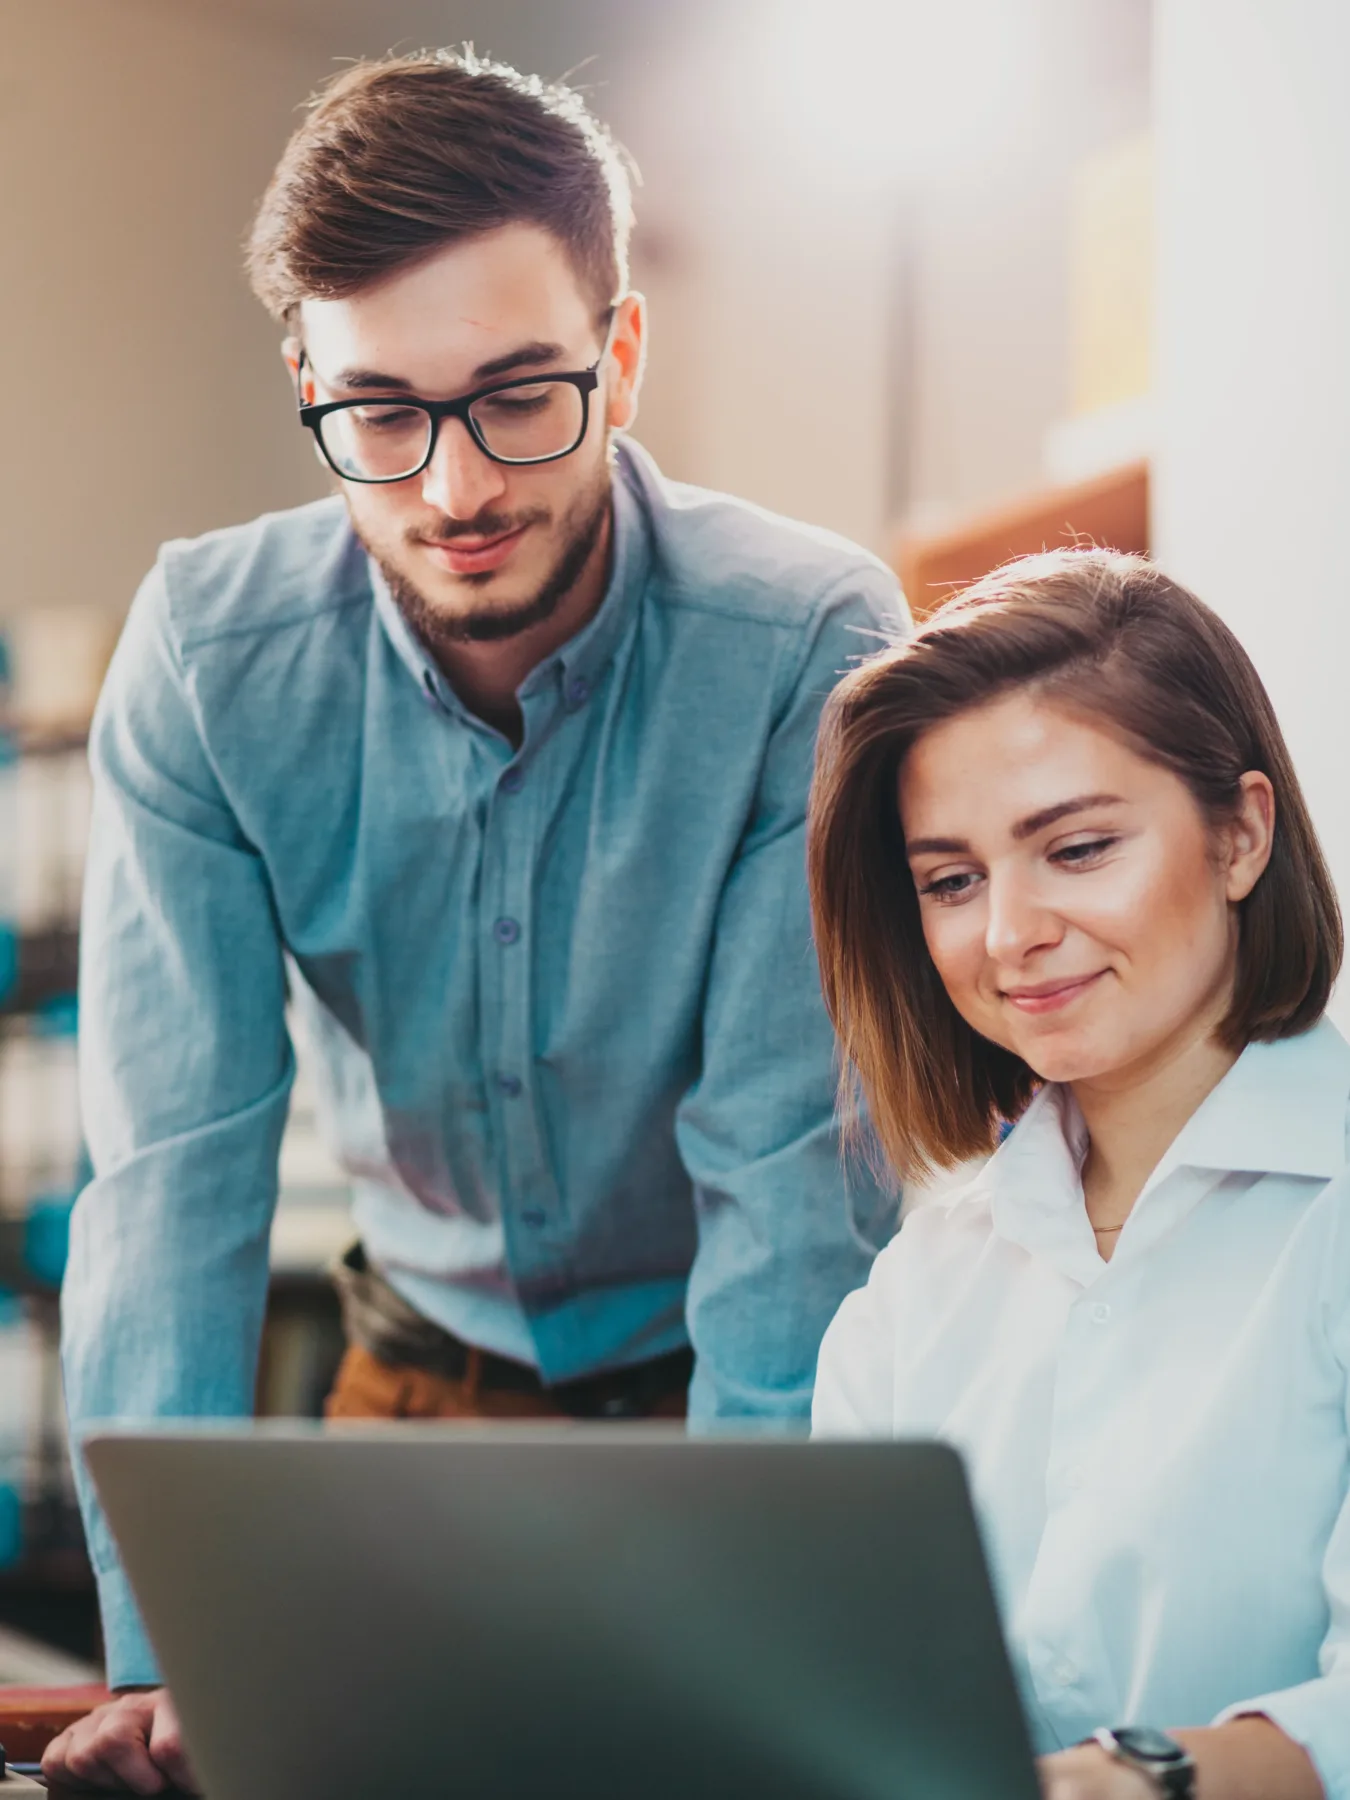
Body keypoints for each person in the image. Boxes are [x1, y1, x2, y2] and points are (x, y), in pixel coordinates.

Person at [49, 49, 904, 1792]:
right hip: (409, 1403)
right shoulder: (209, 664)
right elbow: (168, 1182)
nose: (455, 488)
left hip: (728, 1395)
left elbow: (787, 1192)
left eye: (524, 393)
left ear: (627, 352)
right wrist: (160, 1659)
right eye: (382, 411)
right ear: (306, 379)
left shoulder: (808, 640)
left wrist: (747, 1629)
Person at [808, 549, 1350, 1800]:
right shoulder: (915, 1297)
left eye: (1080, 847)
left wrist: (1133, 1782)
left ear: (1242, 836)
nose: (1009, 934)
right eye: (951, 880)